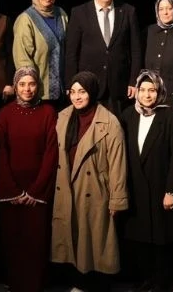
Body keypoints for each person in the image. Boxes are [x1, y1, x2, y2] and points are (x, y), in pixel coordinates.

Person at [51, 71, 128, 292]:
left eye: (82, 92)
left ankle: (93, 285)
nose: (77, 97)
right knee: (71, 239)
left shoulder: (109, 122)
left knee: (93, 241)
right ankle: (77, 283)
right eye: (73, 92)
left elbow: (118, 163)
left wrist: (117, 199)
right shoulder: (62, 117)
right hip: (67, 187)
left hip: (95, 189)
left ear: (92, 92)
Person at [0, 67, 59, 292]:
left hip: (37, 189)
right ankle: (15, 284)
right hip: (11, 189)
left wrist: (36, 191)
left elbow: (51, 153)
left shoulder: (48, 112)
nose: (27, 89)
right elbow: (0, 152)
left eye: (31, 84)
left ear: (38, 85)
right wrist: (12, 190)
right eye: (22, 84)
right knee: (13, 240)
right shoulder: (5, 114)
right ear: (15, 87)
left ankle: (35, 285)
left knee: (36, 240)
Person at [119, 70, 173, 292]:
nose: (147, 95)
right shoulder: (127, 115)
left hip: (160, 187)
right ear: (136, 92)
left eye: (152, 90)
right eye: (143, 90)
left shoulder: (170, 116)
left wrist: (171, 191)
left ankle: (161, 282)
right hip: (135, 187)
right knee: (139, 237)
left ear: (160, 92)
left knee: (161, 238)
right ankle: (144, 280)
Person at [64, 0, 142, 114]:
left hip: (119, 88)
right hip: (87, 87)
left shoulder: (128, 11)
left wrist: (134, 81)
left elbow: (136, 50)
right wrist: (71, 84)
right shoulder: (79, 13)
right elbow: (71, 53)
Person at [12, 0, 68, 105]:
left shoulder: (61, 14)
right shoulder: (26, 19)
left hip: (62, 89)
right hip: (39, 92)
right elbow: (23, 58)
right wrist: (30, 88)